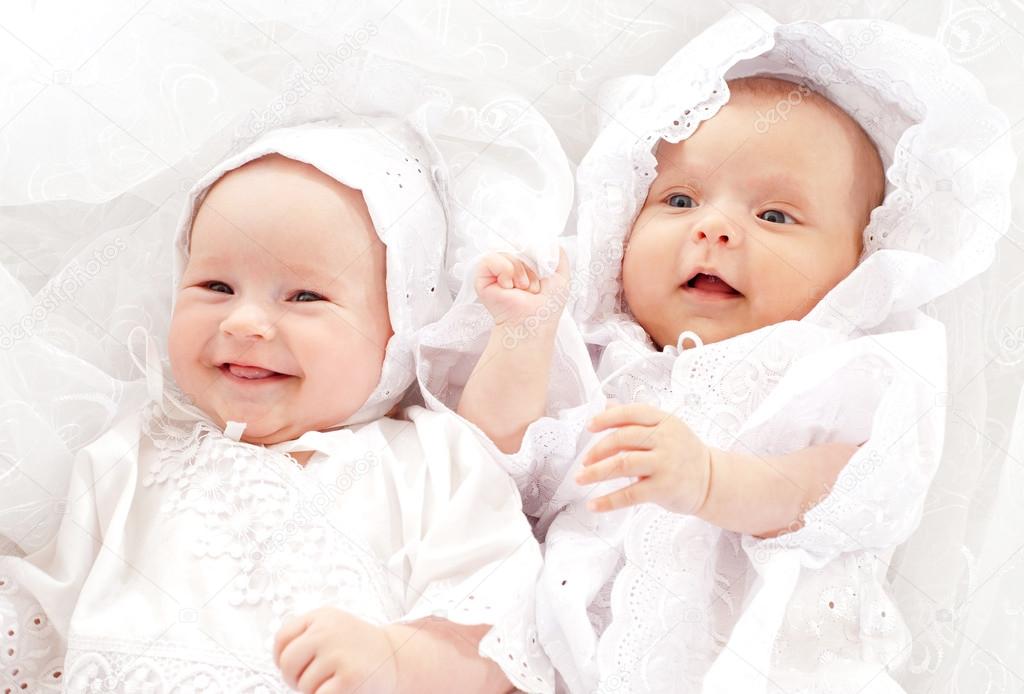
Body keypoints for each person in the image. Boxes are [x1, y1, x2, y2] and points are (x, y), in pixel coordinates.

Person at [0, 120, 553, 694]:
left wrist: (400, 659)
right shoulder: (129, 454)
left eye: (304, 296)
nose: (242, 322)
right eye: (215, 286)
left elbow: (496, 629)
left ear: (399, 329)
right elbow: (40, 616)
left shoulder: (433, 461)